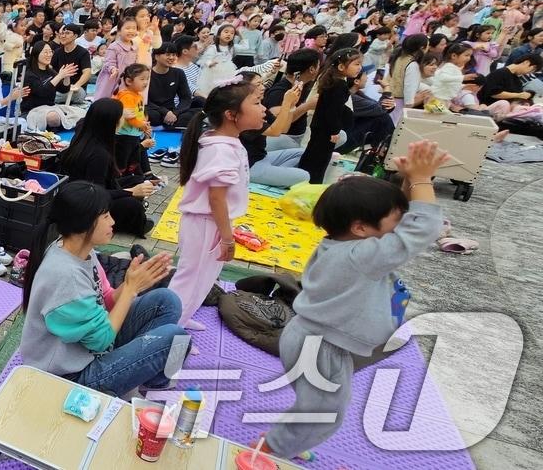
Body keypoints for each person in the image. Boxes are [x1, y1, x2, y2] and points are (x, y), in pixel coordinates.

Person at [257, 142, 447, 461]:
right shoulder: (362, 256)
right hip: (319, 346)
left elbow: (404, 219)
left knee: (323, 405)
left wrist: (408, 181)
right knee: (324, 412)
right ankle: (268, 450)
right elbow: (423, 228)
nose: (401, 229)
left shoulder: (349, 244)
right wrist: (423, 180)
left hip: (322, 340)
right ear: (360, 227)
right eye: (395, 224)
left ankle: (286, 439)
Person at [18, 181, 184, 394]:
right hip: (70, 377)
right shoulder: (65, 276)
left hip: (90, 348)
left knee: (167, 300)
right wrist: (132, 289)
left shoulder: (82, 251)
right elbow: (100, 340)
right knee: (176, 338)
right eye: (105, 216)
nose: (113, 222)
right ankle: (149, 382)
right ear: (83, 223)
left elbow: (105, 298)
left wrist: (129, 283)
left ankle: (148, 378)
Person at [168, 78, 260, 337]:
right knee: (190, 278)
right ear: (232, 115)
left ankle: (182, 318)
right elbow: (216, 199)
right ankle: (167, 332)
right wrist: (228, 237)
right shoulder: (220, 149)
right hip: (206, 223)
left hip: (213, 222)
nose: (263, 108)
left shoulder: (227, 142)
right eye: (256, 102)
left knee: (205, 277)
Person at [55, 99, 156, 236]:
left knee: (137, 179)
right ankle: (127, 222)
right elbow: (96, 193)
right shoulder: (99, 154)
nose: (124, 119)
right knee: (133, 205)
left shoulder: (84, 131)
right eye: (121, 116)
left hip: (78, 191)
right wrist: (131, 192)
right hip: (85, 203)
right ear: (112, 122)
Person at [298, 49, 360, 183]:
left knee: (312, 154)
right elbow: (333, 111)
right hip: (326, 129)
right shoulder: (339, 85)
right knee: (320, 159)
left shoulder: (332, 81)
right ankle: (311, 183)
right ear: (341, 66)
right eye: (356, 64)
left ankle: (305, 179)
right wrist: (335, 130)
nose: (359, 68)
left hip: (319, 126)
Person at [21, 41, 80, 130]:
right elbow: (42, 91)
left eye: (50, 52)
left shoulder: (51, 71)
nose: (49, 55)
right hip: (33, 110)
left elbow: (64, 89)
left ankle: (59, 125)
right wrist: (60, 75)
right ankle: (59, 125)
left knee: (81, 113)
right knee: (53, 117)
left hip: (50, 107)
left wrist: (66, 77)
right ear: (36, 54)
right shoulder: (30, 74)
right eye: (45, 52)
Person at [112, 64, 155, 180]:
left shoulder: (138, 95)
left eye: (147, 78)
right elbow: (130, 118)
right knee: (123, 158)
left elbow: (140, 114)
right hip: (124, 136)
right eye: (142, 79)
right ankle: (120, 178)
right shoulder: (126, 96)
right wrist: (142, 125)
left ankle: (136, 175)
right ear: (128, 81)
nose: (145, 82)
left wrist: (145, 124)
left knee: (133, 156)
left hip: (133, 134)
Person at [94, 18, 139, 99]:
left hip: (128, 79)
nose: (131, 31)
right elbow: (108, 62)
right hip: (113, 79)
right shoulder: (114, 46)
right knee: (109, 99)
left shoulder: (135, 47)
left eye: (134, 28)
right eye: (127, 28)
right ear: (119, 31)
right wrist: (113, 69)